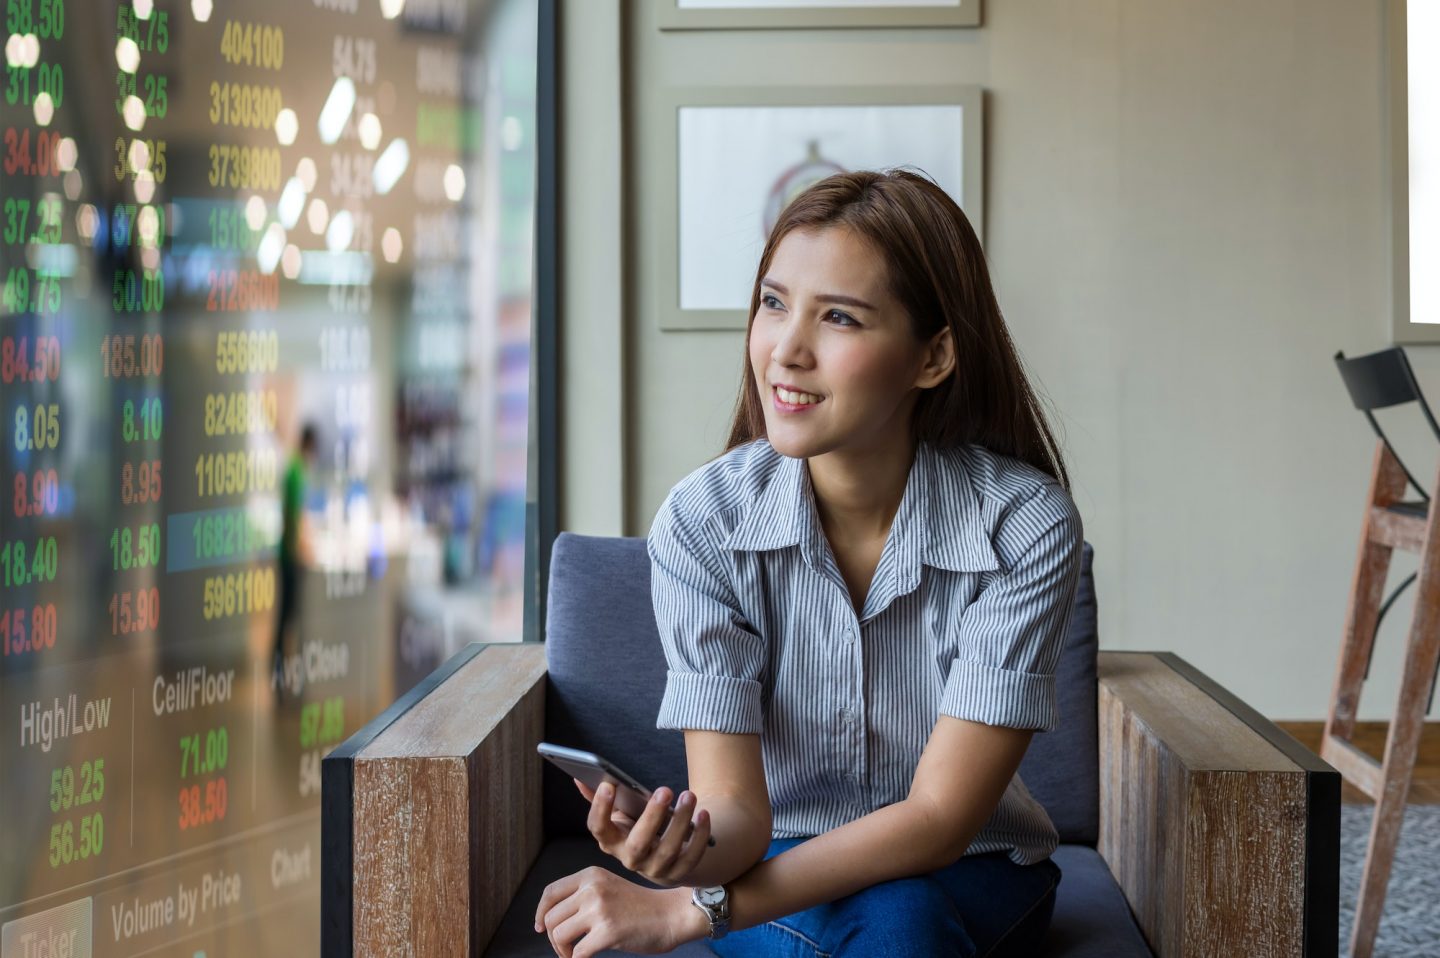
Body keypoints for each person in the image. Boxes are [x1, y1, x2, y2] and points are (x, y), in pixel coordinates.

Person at [535, 169, 1083, 957]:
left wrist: (691, 909)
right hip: (775, 858)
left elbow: (938, 820)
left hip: (975, 867)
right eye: (773, 302)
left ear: (933, 357)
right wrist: (683, 852)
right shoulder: (703, 521)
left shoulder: (1024, 526)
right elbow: (738, 815)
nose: (787, 351)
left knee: (904, 921)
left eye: (840, 318)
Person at [272, 422, 318, 694]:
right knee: (286, 618)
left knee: (285, 617)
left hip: (287, 554)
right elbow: (294, 518)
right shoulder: (296, 473)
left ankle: (280, 671)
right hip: (289, 558)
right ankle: (280, 672)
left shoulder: (294, 469)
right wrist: (299, 551)